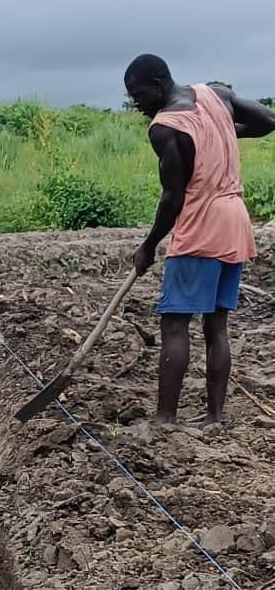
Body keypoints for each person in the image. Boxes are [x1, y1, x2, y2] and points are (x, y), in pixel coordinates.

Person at [123, 54, 275, 426]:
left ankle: (164, 419)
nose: (136, 104)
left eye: (138, 95)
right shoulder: (216, 94)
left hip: (201, 226)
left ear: (158, 85)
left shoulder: (165, 127)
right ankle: (215, 417)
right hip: (235, 220)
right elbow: (268, 120)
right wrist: (223, 129)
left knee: (175, 324)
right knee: (216, 326)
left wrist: (148, 245)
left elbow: (173, 197)